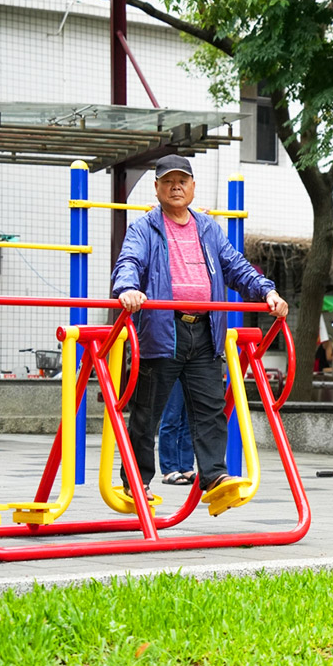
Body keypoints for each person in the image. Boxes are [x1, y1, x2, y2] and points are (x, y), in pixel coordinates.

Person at [111, 153, 289, 505]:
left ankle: (214, 476)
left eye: (182, 181)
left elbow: (236, 266)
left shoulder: (208, 227)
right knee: (147, 412)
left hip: (205, 331)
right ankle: (136, 480)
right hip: (163, 329)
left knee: (209, 408)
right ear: (158, 187)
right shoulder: (145, 227)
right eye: (168, 181)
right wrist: (127, 289)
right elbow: (129, 261)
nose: (176, 187)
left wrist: (266, 290)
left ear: (193, 187)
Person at [158, 378, 195, 485]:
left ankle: (186, 467)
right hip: (172, 366)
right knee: (171, 417)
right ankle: (169, 469)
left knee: (189, 420)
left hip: (192, 365)